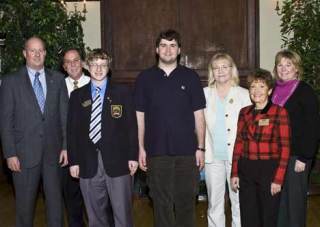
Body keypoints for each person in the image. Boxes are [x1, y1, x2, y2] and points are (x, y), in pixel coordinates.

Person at [134, 29, 206, 227]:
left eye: (173, 45)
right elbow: (139, 115)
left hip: (187, 153)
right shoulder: (144, 78)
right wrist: (140, 147)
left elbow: (199, 115)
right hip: (156, 153)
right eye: (164, 45)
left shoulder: (191, 77)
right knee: (161, 205)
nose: (168, 50)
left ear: (179, 50)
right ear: (157, 49)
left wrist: (201, 148)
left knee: (186, 204)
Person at [0, 36, 68, 227]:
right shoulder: (10, 81)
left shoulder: (58, 79)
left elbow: (64, 117)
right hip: (23, 155)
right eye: (32, 50)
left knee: (55, 205)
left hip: (53, 154)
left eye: (40, 50)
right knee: (24, 208)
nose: (37, 54)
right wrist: (10, 153)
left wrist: (65, 147)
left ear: (45, 53)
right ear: (25, 53)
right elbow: (5, 122)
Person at [67, 49, 138, 227]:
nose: (98, 69)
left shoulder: (123, 92)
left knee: (122, 214)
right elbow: (72, 131)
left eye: (103, 65)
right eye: (94, 65)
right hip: (87, 162)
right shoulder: (77, 96)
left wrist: (133, 156)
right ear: (87, 67)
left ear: (109, 67)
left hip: (119, 161)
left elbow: (131, 127)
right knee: (94, 215)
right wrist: (74, 161)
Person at [231, 69, 290, 227]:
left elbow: (285, 148)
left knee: (268, 216)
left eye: (261, 86)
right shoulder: (243, 113)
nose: (256, 91)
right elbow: (238, 143)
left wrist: (278, 179)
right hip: (247, 168)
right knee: (248, 215)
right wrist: (234, 172)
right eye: (253, 86)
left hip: (269, 169)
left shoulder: (279, 112)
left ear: (270, 90)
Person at [272, 50, 320, 227]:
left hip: (296, 157)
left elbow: (313, 127)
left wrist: (305, 157)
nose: (284, 69)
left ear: (297, 68)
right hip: (276, 156)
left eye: (288, 65)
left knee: (295, 203)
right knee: (279, 202)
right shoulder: (273, 90)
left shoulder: (304, 91)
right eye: (280, 65)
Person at [204, 53, 251, 227]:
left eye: (225, 66)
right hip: (212, 157)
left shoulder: (245, 94)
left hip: (237, 158)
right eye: (216, 68)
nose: (221, 71)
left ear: (232, 69)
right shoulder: (204, 94)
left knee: (238, 202)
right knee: (214, 203)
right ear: (212, 72)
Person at [61, 48, 90, 227]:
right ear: (64, 67)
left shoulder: (96, 82)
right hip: (68, 152)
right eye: (68, 62)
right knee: (72, 202)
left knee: (97, 203)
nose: (72, 64)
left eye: (76, 60)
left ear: (83, 62)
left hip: (93, 154)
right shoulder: (57, 86)